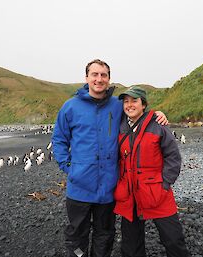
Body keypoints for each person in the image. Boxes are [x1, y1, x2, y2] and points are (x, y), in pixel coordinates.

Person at [52, 59, 168, 257]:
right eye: (94, 74)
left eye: (103, 75)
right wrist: (69, 167)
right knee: (77, 234)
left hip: (108, 186)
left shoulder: (117, 105)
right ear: (86, 78)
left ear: (108, 79)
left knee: (104, 233)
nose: (99, 79)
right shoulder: (70, 107)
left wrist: (157, 114)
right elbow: (59, 140)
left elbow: (137, 114)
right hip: (79, 186)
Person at [114, 86, 189, 257]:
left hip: (156, 191)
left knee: (173, 240)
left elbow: (173, 157)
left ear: (144, 104)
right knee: (131, 246)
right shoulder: (120, 127)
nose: (129, 105)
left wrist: (165, 183)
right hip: (130, 193)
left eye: (134, 101)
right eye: (126, 101)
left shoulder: (159, 126)